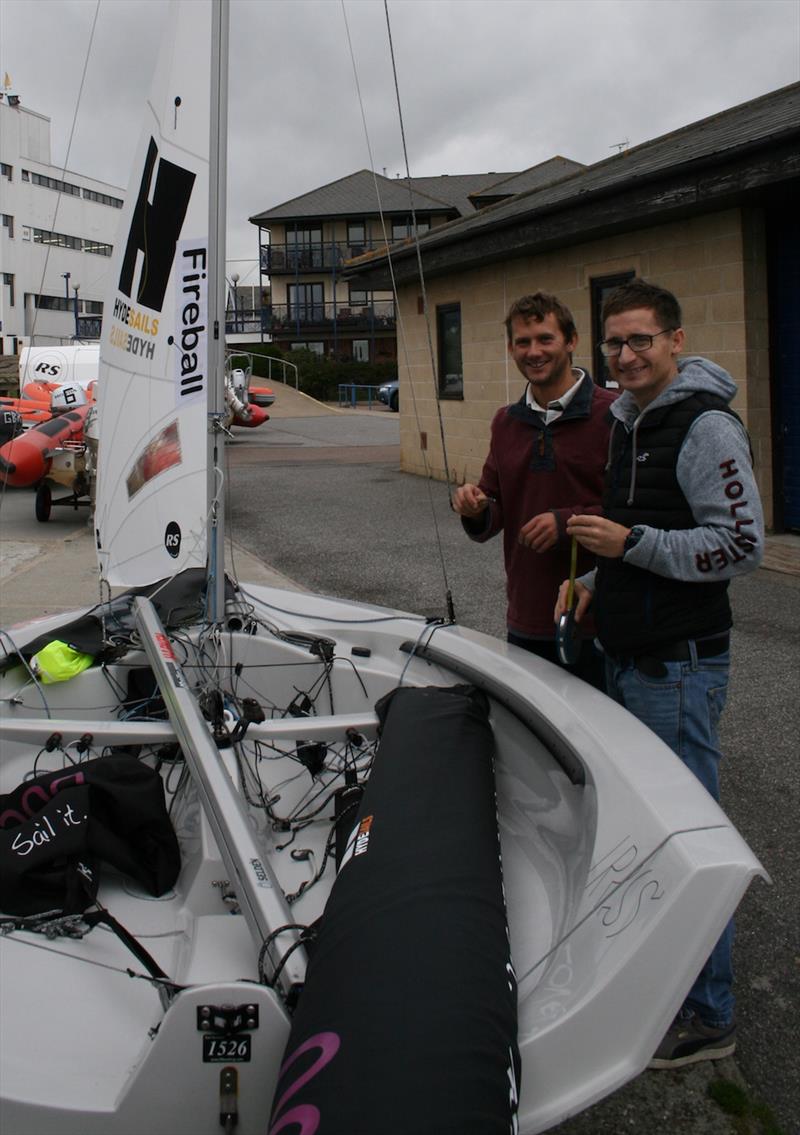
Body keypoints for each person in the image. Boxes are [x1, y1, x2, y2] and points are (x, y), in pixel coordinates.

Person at [556, 278, 764, 1067]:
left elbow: (739, 546)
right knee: (645, 834)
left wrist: (628, 546)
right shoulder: (625, 422)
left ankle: (710, 1015)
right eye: (616, 342)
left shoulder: (707, 427)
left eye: (642, 339)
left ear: (676, 341)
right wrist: (594, 581)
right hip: (626, 655)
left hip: (677, 668)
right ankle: (668, 980)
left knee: (685, 841)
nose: (627, 353)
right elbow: (632, 536)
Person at [452, 292, 617, 688]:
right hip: (524, 618)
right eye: (523, 342)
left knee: (594, 743)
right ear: (510, 347)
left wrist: (566, 523)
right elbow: (495, 507)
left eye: (545, 339)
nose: (534, 351)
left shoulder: (613, 416)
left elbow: (633, 514)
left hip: (596, 620)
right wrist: (475, 507)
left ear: (571, 340)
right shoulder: (505, 422)